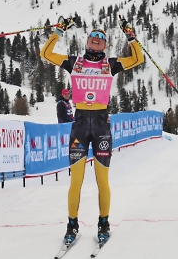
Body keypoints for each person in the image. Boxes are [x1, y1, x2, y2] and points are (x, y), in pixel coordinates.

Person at [40, 16, 144, 245]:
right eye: (93, 36)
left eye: (101, 38)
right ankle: (72, 224)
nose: (97, 39)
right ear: (87, 41)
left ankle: (104, 223)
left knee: (102, 180)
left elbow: (138, 58)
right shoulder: (74, 62)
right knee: (75, 181)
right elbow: (45, 54)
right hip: (79, 124)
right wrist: (58, 31)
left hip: (100, 124)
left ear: (105, 45)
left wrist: (130, 35)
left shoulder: (111, 64)